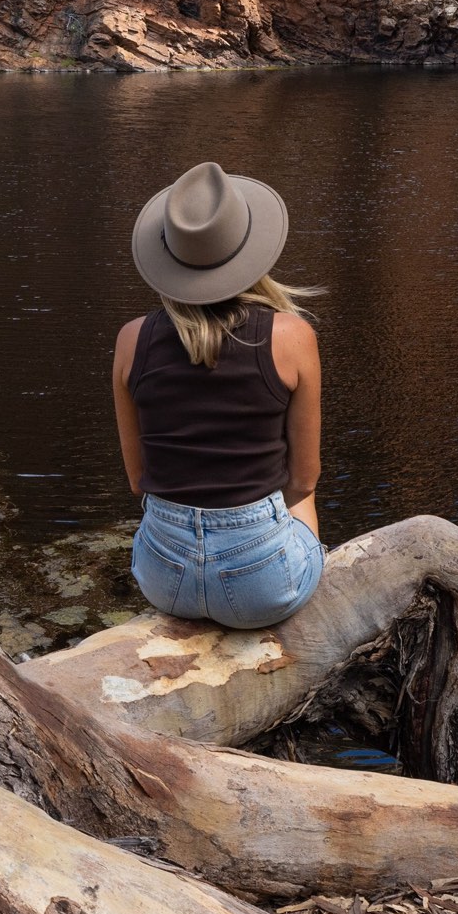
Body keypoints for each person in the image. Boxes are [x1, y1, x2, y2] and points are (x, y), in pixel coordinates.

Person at [112, 161, 325, 630]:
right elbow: (304, 480)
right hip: (262, 584)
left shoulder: (131, 339)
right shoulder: (291, 336)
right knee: (305, 500)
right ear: (250, 252)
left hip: (164, 577)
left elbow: (138, 481)